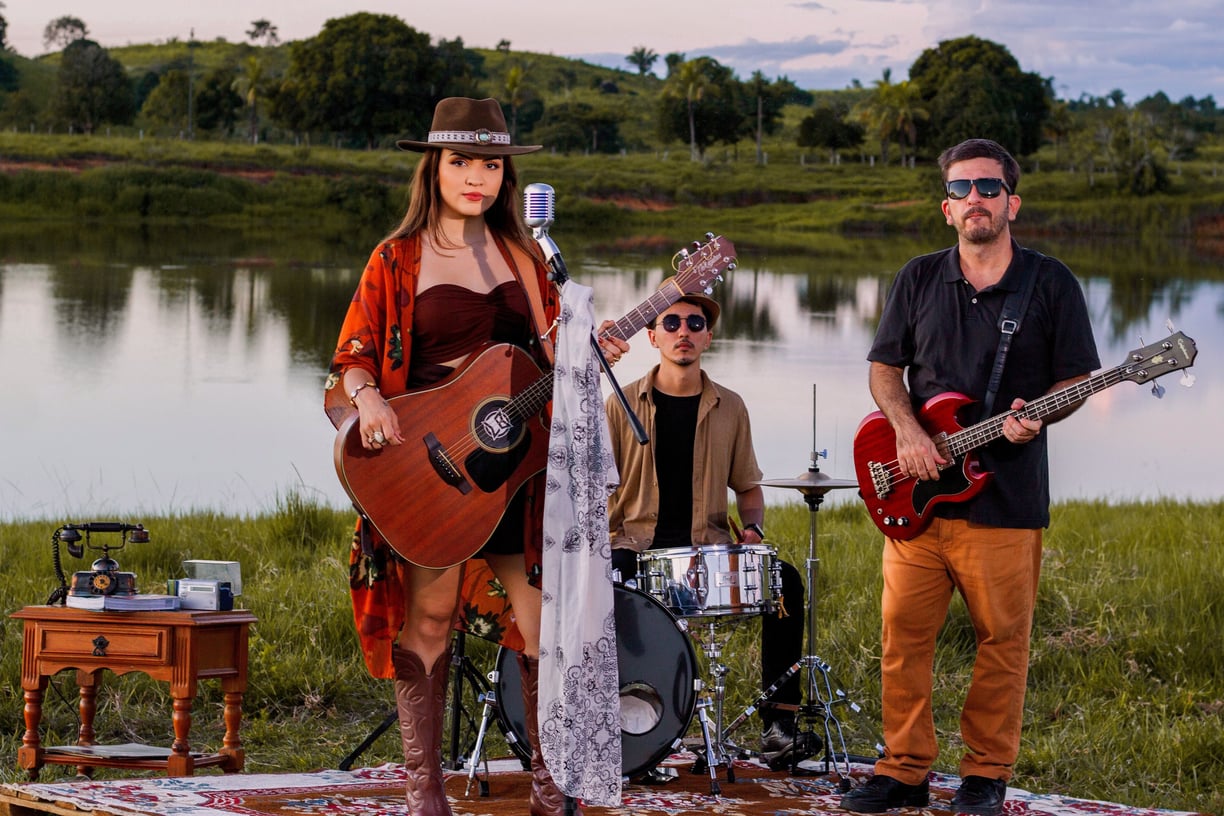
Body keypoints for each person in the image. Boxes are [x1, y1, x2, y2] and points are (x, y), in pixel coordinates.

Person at [324, 97, 627, 816]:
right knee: (429, 619)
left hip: (517, 469)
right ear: (433, 167)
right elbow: (353, 355)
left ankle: (550, 787)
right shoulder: (396, 259)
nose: (476, 178)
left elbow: (553, 358)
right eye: (461, 161)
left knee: (544, 621)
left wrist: (593, 350)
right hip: (431, 471)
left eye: (490, 165)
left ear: (505, 176)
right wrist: (369, 401)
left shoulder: (527, 257)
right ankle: (424, 788)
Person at [839, 139, 1100, 816]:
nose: (975, 199)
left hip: (1006, 500)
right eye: (961, 189)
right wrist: (906, 430)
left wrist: (1039, 417)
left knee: (1001, 645)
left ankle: (985, 775)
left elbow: (1075, 379)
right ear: (946, 208)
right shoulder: (919, 277)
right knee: (902, 641)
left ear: (1013, 202)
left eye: (988, 187)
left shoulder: (1051, 283)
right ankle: (903, 770)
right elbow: (884, 368)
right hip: (917, 500)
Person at [603, 293, 807, 764]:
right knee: (603, 585)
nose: (684, 332)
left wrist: (753, 531)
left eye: (695, 324)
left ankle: (779, 725)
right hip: (634, 547)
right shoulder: (619, 403)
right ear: (652, 337)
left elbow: (748, 489)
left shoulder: (730, 407)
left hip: (707, 552)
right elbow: (595, 488)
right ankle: (622, 725)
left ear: (708, 338)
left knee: (786, 583)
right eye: (671, 323)